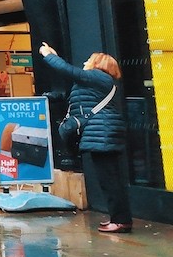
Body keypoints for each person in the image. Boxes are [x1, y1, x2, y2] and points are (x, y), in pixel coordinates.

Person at [39, 43, 130, 233]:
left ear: (98, 64)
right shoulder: (96, 81)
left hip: (102, 134)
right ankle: (119, 218)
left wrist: (48, 55)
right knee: (109, 178)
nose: (85, 62)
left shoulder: (98, 77)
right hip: (102, 133)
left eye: (89, 59)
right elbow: (77, 96)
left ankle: (120, 221)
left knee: (109, 180)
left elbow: (67, 70)